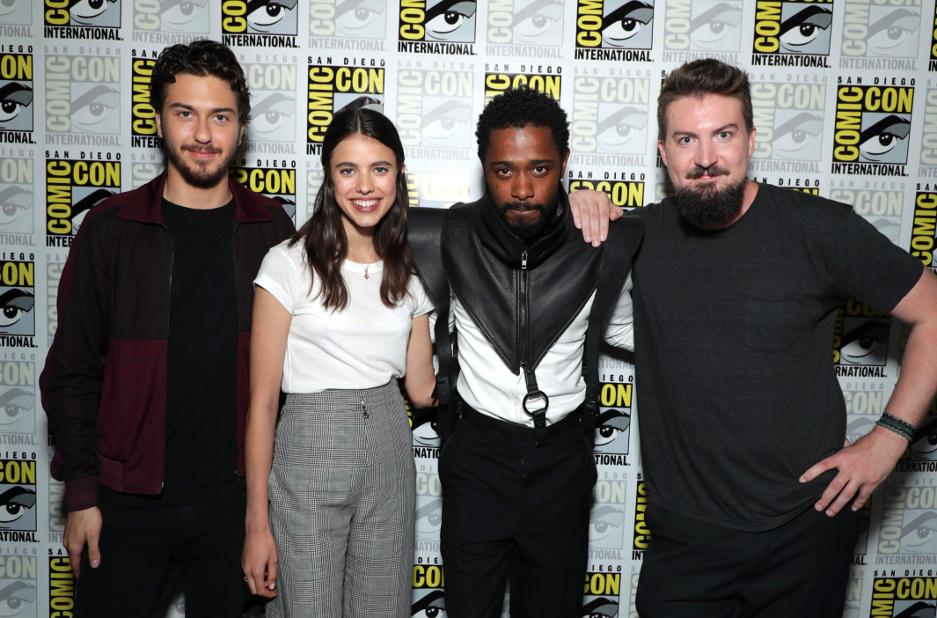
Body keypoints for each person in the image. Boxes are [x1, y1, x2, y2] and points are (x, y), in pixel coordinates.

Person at [631, 58, 937, 616]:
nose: (705, 158)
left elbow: (934, 312)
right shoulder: (637, 237)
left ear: (751, 140)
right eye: (686, 139)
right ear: (663, 153)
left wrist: (890, 437)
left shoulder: (820, 229)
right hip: (684, 540)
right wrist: (579, 203)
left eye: (724, 135)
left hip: (806, 529)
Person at [39, 40, 294, 617]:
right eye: (186, 113)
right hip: (123, 504)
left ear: (241, 128)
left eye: (220, 117)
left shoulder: (272, 230)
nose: (203, 134)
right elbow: (73, 371)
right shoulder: (111, 228)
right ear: (158, 121)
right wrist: (81, 495)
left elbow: (291, 379)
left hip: (235, 506)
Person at [408, 88, 643, 618]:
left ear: (564, 163)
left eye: (540, 168)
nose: (521, 188)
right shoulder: (448, 237)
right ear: (483, 168)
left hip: (562, 462)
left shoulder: (600, 243)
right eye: (503, 170)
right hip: (475, 460)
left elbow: (631, 331)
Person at [241, 107, 436, 617]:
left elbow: (422, 391)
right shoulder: (287, 263)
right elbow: (262, 404)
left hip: (390, 445)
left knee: (383, 608)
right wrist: (256, 522)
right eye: (348, 170)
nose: (365, 185)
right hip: (309, 446)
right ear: (329, 178)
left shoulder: (408, 274)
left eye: (380, 168)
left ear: (398, 174)